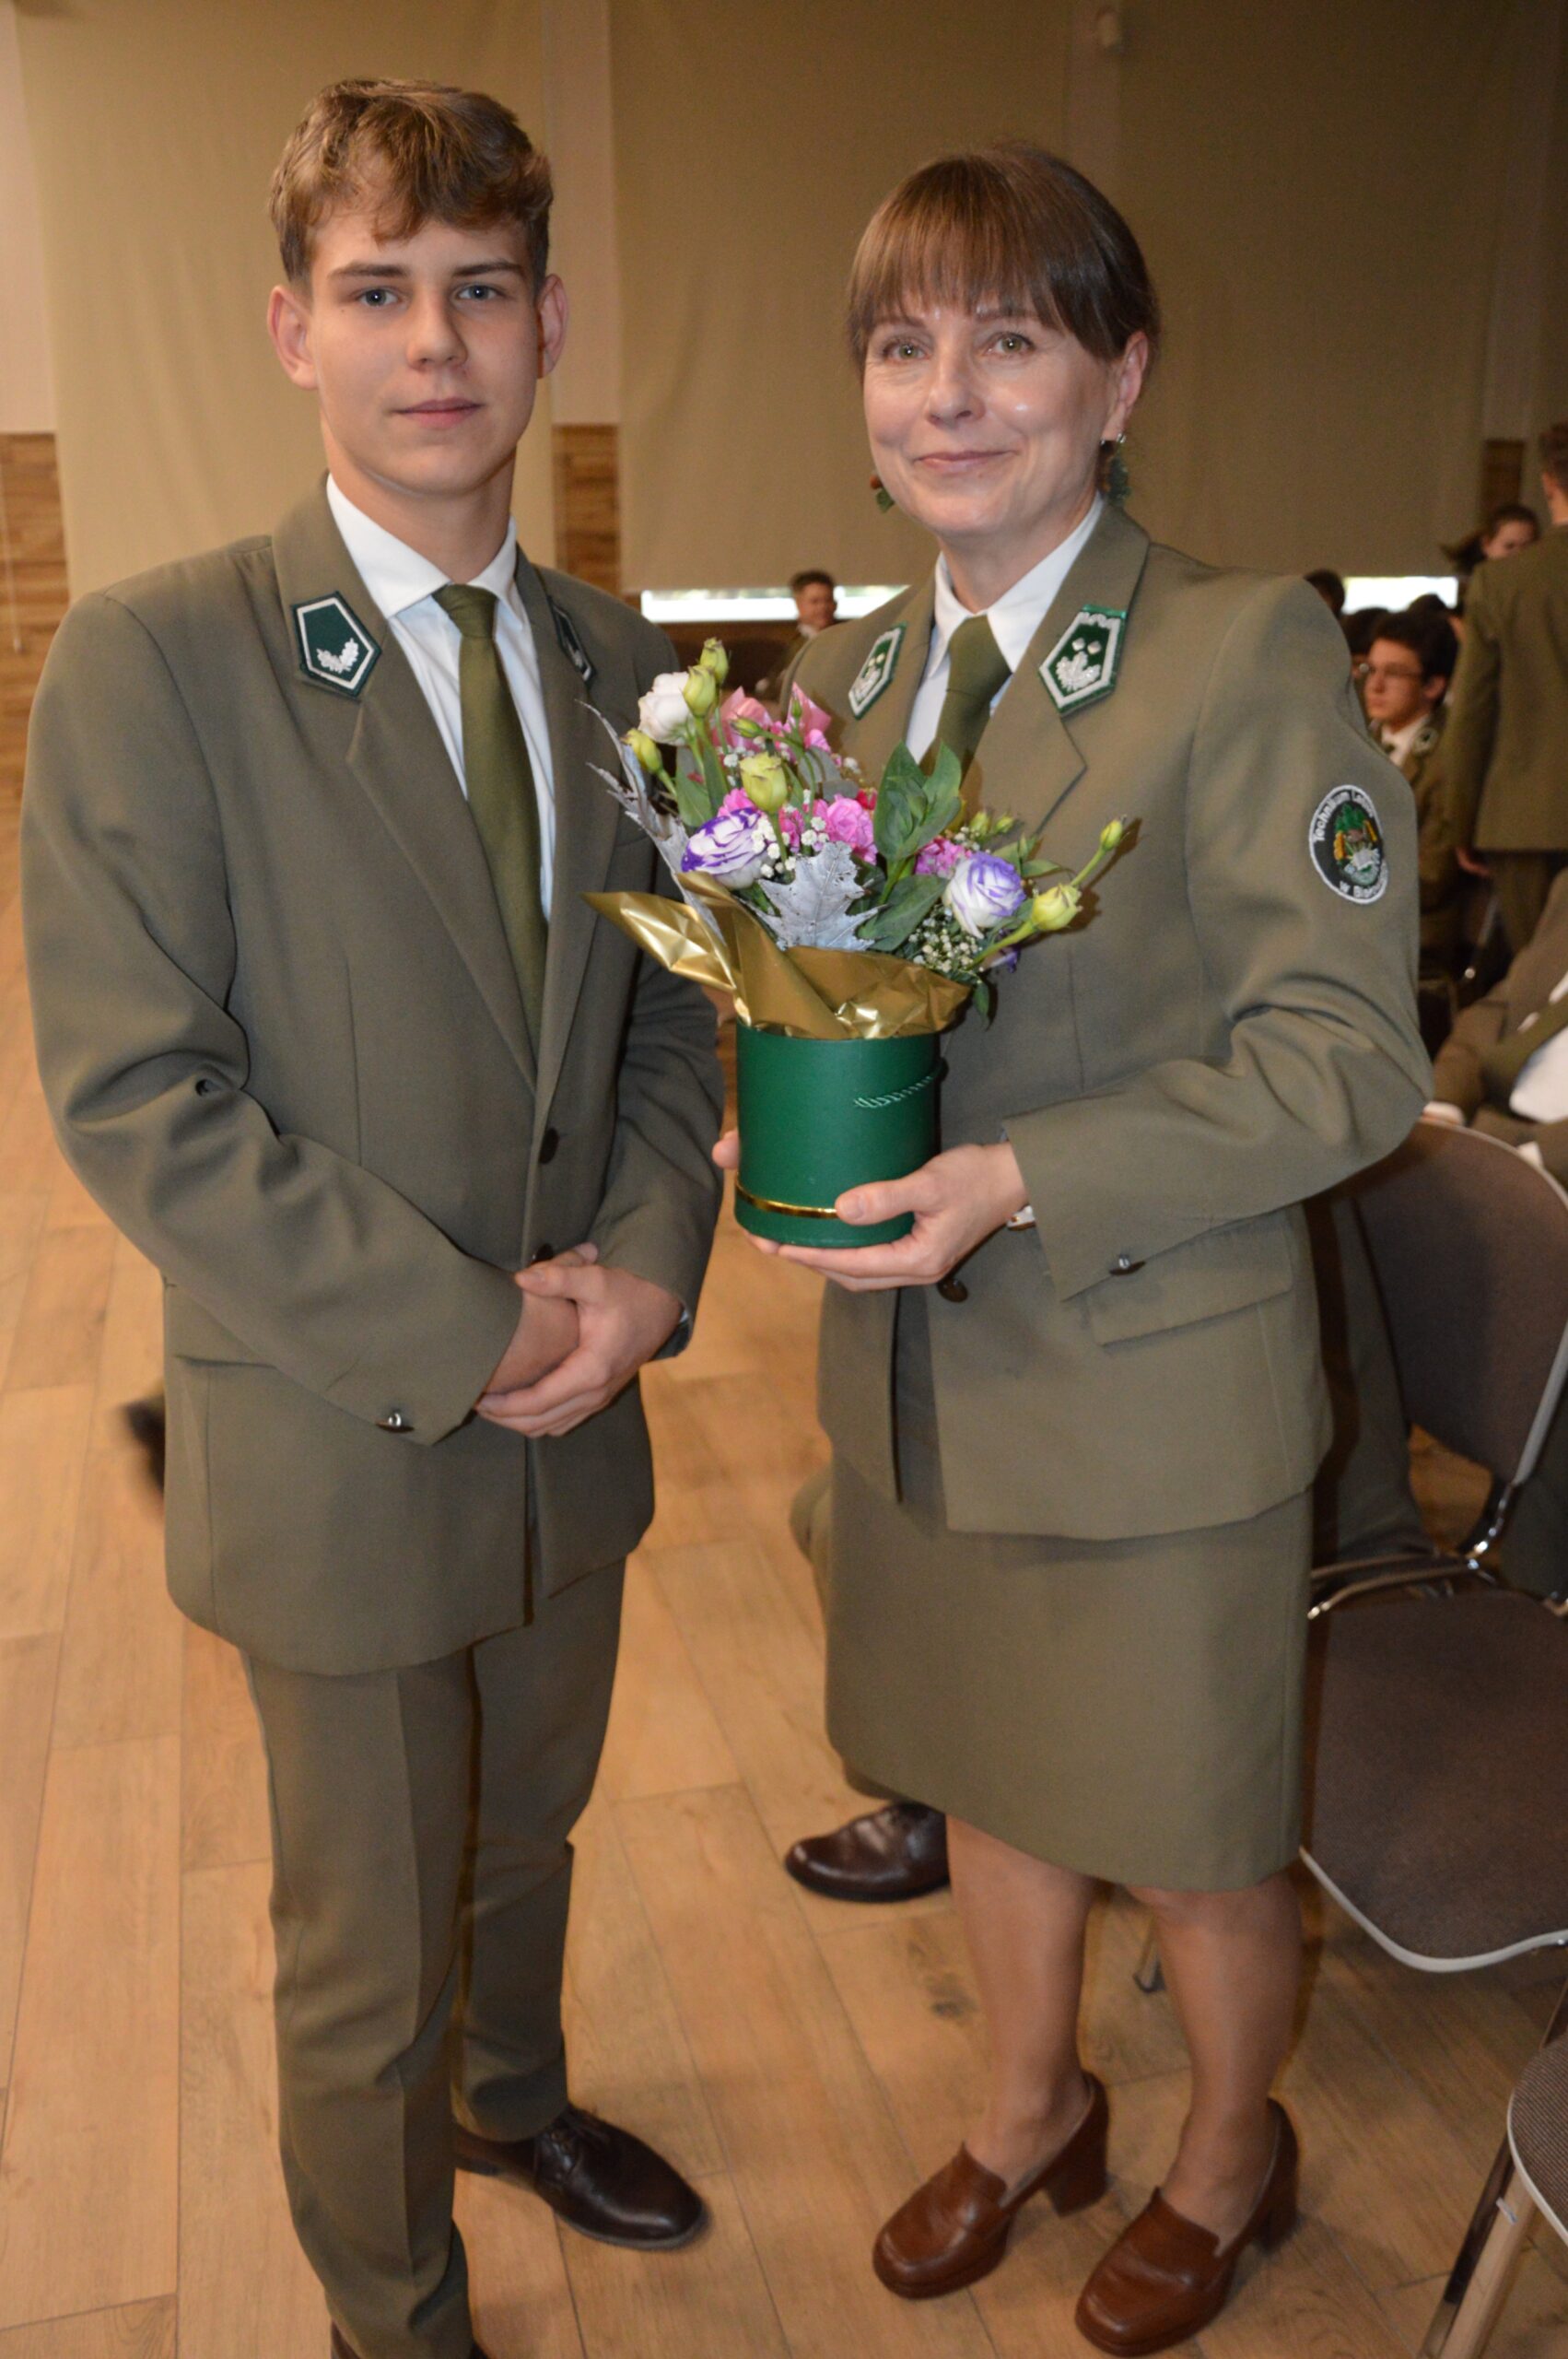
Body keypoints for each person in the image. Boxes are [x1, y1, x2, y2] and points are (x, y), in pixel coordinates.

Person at [22, 79, 724, 2359]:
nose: (436, 342)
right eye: (378, 289)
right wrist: (464, 1327)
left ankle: (510, 2101)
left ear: (547, 327)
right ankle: (391, 2309)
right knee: (363, 1933)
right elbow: (141, 1094)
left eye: (482, 289)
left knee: (529, 1831)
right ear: (290, 329)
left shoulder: (629, 665)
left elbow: (674, 1015)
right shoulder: (164, 658)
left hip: (581, 1404)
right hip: (346, 1425)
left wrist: (645, 1268)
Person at [719, 144, 1427, 2352]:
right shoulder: (847, 676)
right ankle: (1030, 2106)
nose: (945, 394)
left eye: (1006, 340)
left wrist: (1024, 1175)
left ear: (1118, 378)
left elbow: (1346, 1061)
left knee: (1192, 1835)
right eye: (901, 344)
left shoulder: (1236, 650)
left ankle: (1228, 2150)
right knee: (988, 1776)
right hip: (924, 1373)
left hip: (1146, 1381)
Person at [1443, 423, 1568, 955]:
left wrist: (1460, 818)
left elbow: (1472, 711)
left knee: (1541, 985)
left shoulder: (1502, 582)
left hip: (1523, 817)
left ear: (1548, 482)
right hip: (1525, 818)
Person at [1358, 609, 1461, 980]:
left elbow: (1432, 877)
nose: (1375, 685)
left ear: (1433, 685)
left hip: (1414, 930)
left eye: (1395, 673)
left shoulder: (1451, 756)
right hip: (1355, 918)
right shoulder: (1355, 739)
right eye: (1370, 669)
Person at [758, 567, 839, 702]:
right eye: (815, 602)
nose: (823, 607)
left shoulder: (843, 639)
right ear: (799, 605)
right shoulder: (794, 643)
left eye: (828, 600)